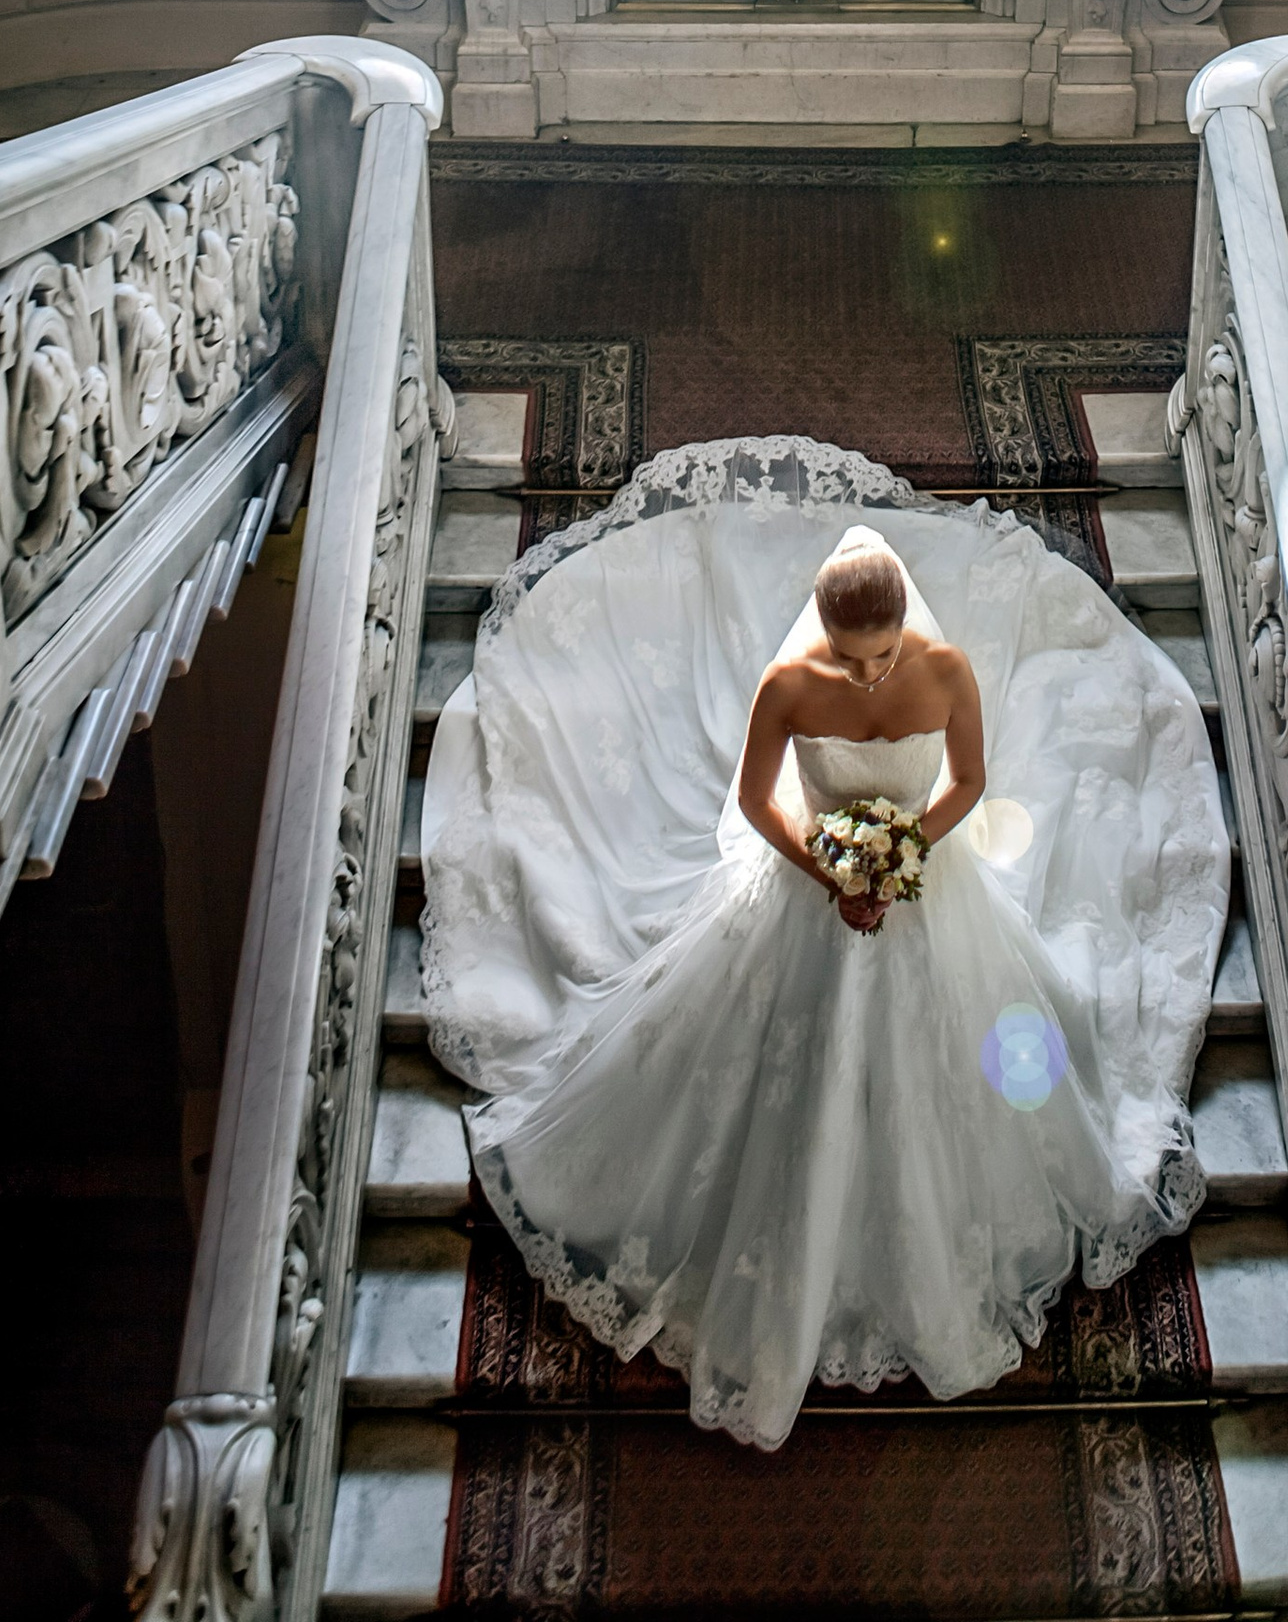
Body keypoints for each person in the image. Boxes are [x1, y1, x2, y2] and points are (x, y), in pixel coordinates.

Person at [419, 434, 1227, 1448]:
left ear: (905, 624)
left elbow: (969, 783)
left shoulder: (943, 670)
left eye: (882, 652)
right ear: (823, 632)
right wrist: (832, 875)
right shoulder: (789, 686)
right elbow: (759, 802)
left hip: (925, 884)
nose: (869, 672)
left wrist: (902, 854)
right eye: (851, 655)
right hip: (810, 887)